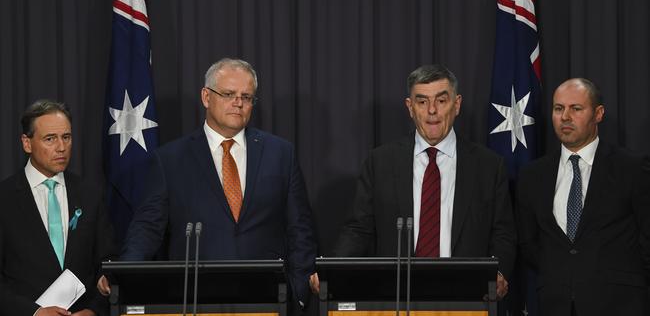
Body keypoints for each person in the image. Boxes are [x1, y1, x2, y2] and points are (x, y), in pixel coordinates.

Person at [117, 58, 318, 307]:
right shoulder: (170, 160)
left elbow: (300, 230)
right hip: (196, 300)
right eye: (229, 94)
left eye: (247, 97)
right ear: (206, 97)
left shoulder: (280, 153)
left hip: (267, 301)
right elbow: (146, 230)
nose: (238, 103)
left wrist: (298, 293)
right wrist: (123, 277)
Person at [334, 64, 516, 299]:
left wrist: (499, 273)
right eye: (422, 102)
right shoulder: (380, 162)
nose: (432, 111)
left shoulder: (489, 166)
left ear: (457, 104)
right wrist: (333, 270)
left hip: (466, 297)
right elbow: (358, 229)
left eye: (441, 101)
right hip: (398, 298)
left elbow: (503, 233)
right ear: (410, 108)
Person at [517, 78, 650, 315]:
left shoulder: (631, 168)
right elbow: (529, 243)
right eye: (559, 109)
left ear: (598, 114)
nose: (565, 117)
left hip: (620, 304)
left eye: (576, 109)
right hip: (554, 304)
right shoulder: (532, 175)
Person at [0, 100, 115, 316]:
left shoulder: (90, 195)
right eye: (50, 139)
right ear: (27, 143)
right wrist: (34, 313)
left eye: (66, 137)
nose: (61, 147)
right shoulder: (4, 199)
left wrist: (93, 310)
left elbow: (107, 265)